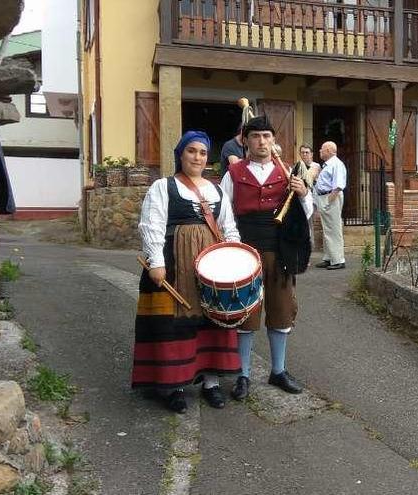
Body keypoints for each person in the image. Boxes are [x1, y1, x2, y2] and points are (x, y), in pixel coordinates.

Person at [132, 131, 242, 413]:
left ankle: (211, 383)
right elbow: (152, 225)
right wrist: (156, 261)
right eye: (191, 151)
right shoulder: (163, 187)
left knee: (213, 319)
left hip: (212, 267)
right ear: (180, 155)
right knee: (173, 324)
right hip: (172, 264)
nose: (197, 157)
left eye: (203, 152)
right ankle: (174, 385)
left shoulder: (217, 190)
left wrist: (236, 260)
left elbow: (229, 229)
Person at [220, 116, 312, 400]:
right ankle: (243, 375)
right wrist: (234, 245)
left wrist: (304, 193)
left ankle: (278, 371)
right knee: (245, 312)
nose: (262, 141)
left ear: (274, 141)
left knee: (281, 309)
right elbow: (224, 214)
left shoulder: (288, 173)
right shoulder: (233, 173)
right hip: (245, 248)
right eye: (256, 136)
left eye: (267, 136)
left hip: (279, 250)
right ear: (245, 141)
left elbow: (306, 213)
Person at [314, 141, 347, 270]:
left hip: (330, 197)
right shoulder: (328, 165)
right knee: (327, 229)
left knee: (333, 229)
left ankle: (338, 260)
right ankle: (329, 258)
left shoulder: (336, 164)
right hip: (325, 197)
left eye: (322, 149)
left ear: (329, 150)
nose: (320, 151)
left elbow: (338, 186)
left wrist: (328, 202)